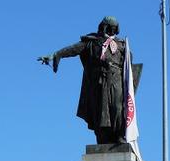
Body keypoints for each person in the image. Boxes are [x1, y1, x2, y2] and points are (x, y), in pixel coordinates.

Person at [38, 16, 142, 145]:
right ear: (103, 27)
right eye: (110, 27)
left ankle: (119, 136)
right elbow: (73, 49)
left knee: (118, 107)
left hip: (116, 79)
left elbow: (129, 63)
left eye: (114, 28)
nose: (112, 30)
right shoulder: (92, 42)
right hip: (99, 81)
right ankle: (102, 138)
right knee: (100, 110)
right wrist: (55, 54)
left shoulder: (122, 45)